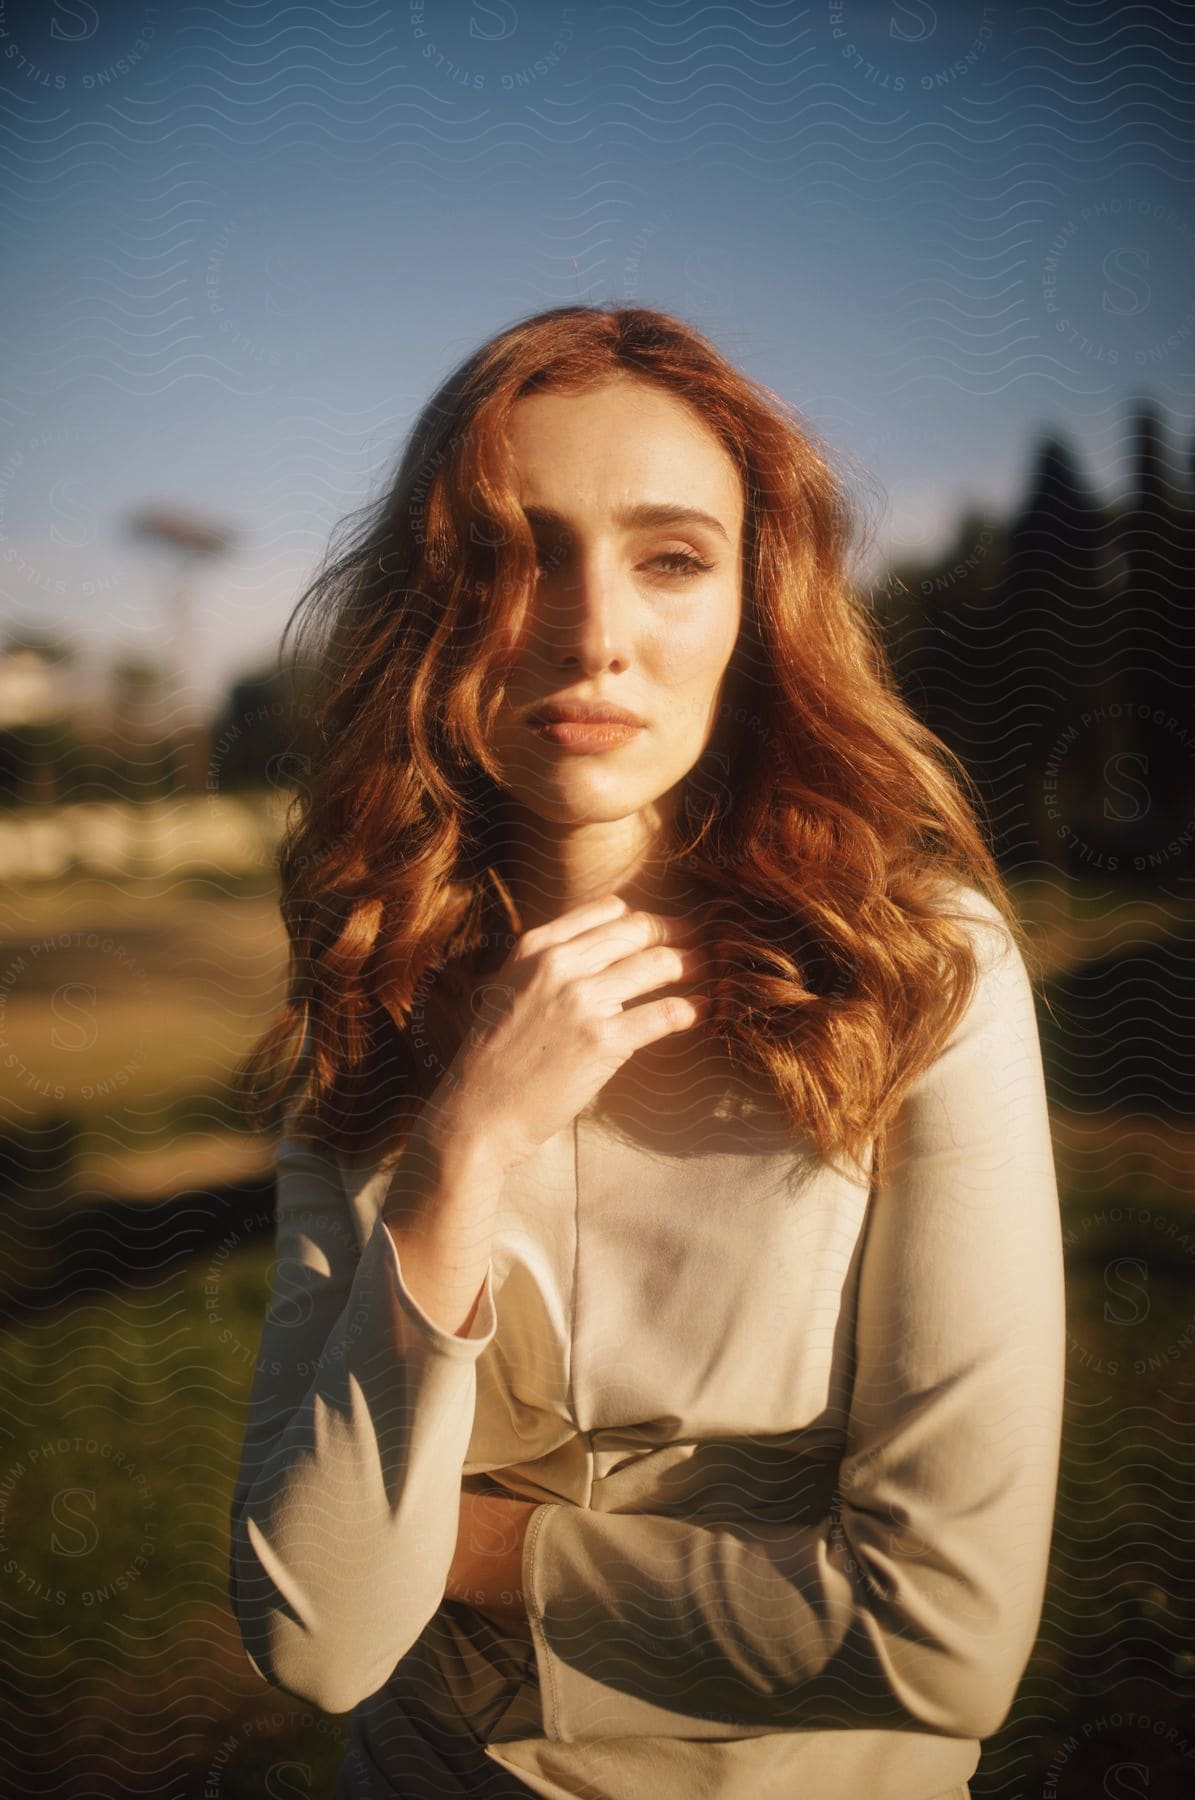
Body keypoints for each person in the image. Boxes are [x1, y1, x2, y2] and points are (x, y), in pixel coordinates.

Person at [227, 304, 1066, 1800]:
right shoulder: (374, 995)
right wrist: (463, 1149)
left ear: (759, 602)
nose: (593, 630)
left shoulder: (922, 972)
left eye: (671, 557)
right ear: (430, 606)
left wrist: (488, 1550)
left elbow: (945, 1638)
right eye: (513, 557)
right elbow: (324, 1639)